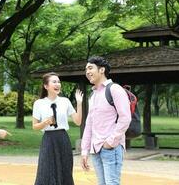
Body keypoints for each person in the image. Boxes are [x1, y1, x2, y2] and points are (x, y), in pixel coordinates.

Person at [81, 56, 131, 185]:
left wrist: (110, 142)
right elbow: (89, 124)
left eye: (90, 68)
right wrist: (85, 150)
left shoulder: (115, 89)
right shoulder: (93, 95)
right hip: (95, 149)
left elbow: (125, 118)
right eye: (86, 69)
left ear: (102, 70)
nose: (87, 72)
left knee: (112, 183)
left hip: (110, 148)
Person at [32, 72, 83, 185]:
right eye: (54, 82)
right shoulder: (39, 103)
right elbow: (34, 126)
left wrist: (79, 103)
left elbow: (78, 121)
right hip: (48, 140)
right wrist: (45, 122)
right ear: (46, 86)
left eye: (59, 82)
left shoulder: (65, 101)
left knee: (65, 171)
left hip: (63, 139)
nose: (58, 84)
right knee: (46, 171)